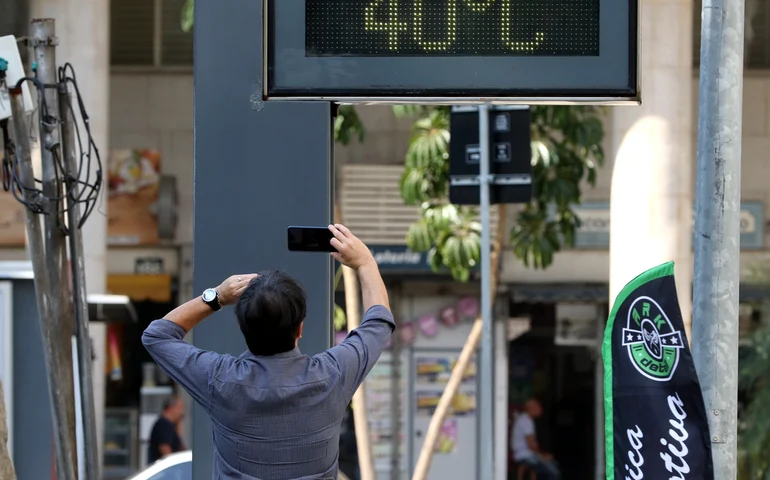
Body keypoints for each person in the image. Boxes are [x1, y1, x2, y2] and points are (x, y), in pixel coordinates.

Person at [142, 224, 394, 479]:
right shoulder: (333, 375)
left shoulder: (219, 380)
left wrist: (216, 296)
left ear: (244, 329)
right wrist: (365, 263)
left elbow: (157, 335)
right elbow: (379, 322)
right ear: (300, 329)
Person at [511, 398, 561, 480]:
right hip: (524, 455)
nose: (541, 409)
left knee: (552, 464)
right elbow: (531, 445)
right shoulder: (525, 421)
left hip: (525, 454)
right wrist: (543, 455)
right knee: (553, 472)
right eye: (538, 406)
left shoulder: (526, 419)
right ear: (531, 408)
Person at [147, 394, 186, 464]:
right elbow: (165, 448)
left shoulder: (170, 425)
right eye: (180, 408)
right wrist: (174, 466)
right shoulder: (164, 424)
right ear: (171, 408)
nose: (182, 412)